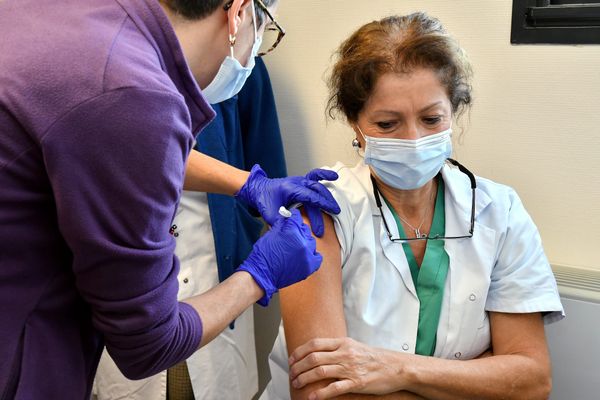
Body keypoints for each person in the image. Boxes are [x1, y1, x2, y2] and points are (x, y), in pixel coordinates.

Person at [0, 0, 341, 398]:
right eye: (265, 36)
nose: (255, 55)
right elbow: (148, 344)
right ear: (239, 14)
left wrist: (245, 183)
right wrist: (259, 275)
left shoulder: (62, 20)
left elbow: (113, 147)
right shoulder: (132, 90)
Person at [262, 12, 564, 400]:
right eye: (387, 124)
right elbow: (320, 392)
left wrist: (395, 370)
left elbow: (532, 380)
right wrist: (477, 377)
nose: (413, 139)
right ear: (355, 124)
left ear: (454, 112)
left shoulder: (498, 211)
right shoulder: (320, 212)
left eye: (431, 119)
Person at [94, 57, 287, 400]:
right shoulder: (100, 64)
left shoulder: (240, 63)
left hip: (219, 275)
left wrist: (246, 245)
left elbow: (267, 169)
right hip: (124, 285)